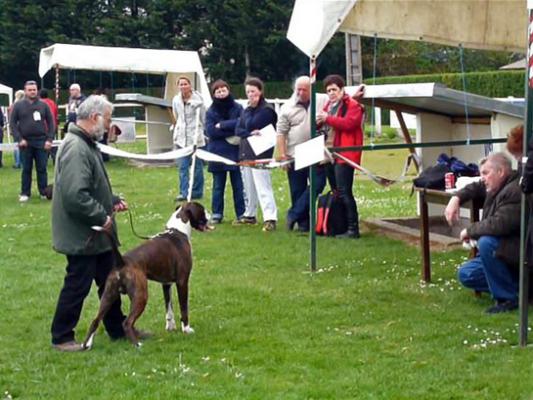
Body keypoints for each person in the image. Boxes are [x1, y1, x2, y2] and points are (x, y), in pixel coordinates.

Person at [50, 95, 130, 351]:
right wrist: (102, 216)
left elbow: (90, 186)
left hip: (95, 235)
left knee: (110, 282)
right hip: (83, 234)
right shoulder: (76, 147)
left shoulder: (85, 143)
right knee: (77, 284)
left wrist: (112, 200)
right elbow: (76, 195)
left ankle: (119, 329)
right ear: (95, 118)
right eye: (107, 119)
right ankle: (62, 336)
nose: (109, 125)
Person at [445, 153, 521, 314]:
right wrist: (456, 198)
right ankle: (520, 287)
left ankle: (507, 298)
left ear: (500, 172)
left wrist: (469, 231)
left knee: (486, 242)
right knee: (467, 274)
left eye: (486, 173)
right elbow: (476, 186)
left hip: (516, 251)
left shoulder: (515, 191)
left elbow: (500, 224)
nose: (483, 178)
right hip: (501, 252)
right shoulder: (497, 185)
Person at [276, 75, 327, 232]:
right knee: (297, 189)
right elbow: (281, 133)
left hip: (316, 150)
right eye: (298, 89)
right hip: (295, 153)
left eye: (304, 89)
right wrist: (283, 155)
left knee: (318, 185)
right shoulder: (287, 108)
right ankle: (304, 225)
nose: (300, 92)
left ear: (311, 89)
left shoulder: (323, 100)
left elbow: (340, 99)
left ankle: (293, 213)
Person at [316, 74, 364, 238]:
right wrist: (320, 122)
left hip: (345, 154)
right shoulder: (329, 105)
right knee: (336, 191)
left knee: (345, 191)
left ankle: (353, 229)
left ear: (341, 89)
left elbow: (350, 124)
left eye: (334, 89)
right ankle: (340, 225)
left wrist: (327, 119)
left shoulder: (353, 105)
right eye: (328, 90)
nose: (331, 93)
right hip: (329, 154)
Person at [235, 77, 278, 232]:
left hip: (261, 152)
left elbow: (255, 124)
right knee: (248, 186)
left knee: (262, 185)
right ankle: (250, 214)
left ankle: (270, 217)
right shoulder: (246, 110)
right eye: (248, 92)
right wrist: (248, 132)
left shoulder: (267, 109)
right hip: (246, 151)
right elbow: (239, 130)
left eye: (253, 91)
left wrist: (248, 128)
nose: (250, 95)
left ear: (260, 91)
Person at [205, 79, 245, 224]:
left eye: (224, 90)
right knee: (218, 185)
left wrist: (222, 125)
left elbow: (241, 124)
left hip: (235, 152)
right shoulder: (210, 111)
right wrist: (229, 133)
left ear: (228, 90)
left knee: (238, 185)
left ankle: (241, 213)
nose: (221, 93)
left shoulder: (238, 107)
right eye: (218, 91)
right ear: (214, 94)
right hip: (217, 153)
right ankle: (217, 213)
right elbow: (210, 131)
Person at [10, 80, 55, 202]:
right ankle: (25, 193)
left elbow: (51, 122)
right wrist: (19, 139)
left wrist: (49, 139)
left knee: (42, 168)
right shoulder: (18, 106)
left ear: (37, 90)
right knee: (26, 169)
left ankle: (44, 192)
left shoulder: (43, 105)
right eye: (30, 90)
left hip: (41, 141)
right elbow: (12, 123)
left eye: (34, 89)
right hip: (25, 142)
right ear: (25, 91)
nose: (32, 92)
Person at [172, 76, 206, 201]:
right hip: (181, 138)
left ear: (190, 85)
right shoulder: (176, 99)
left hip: (195, 137)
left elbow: (203, 117)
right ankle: (183, 192)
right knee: (182, 166)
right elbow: (176, 115)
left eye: (185, 84)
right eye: (181, 84)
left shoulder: (199, 99)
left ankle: (197, 191)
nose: (183, 86)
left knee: (197, 167)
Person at [39, 88, 59, 163]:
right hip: (52, 126)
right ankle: (55, 158)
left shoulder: (39, 103)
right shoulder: (52, 103)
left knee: (42, 144)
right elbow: (56, 115)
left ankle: (44, 159)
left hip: (42, 127)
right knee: (53, 143)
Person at [8, 90, 24, 168]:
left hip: (15, 127)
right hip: (23, 127)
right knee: (22, 145)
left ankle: (17, 162)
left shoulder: (12, 106)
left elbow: (11, 119)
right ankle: (21, 162)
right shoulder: (24, 105)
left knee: (16, 145)